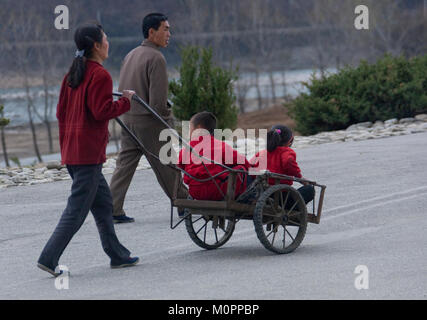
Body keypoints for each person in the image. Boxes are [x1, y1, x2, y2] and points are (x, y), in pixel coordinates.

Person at [37, 22, 139, 277]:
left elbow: (61, 113)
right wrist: (126, 101)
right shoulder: (100, 75)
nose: (108, 42)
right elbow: (101, 111)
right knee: (77, 210)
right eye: (105, 38)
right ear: (96, 45)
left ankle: (118, 255)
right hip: (88, 155)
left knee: (103, 204)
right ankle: (48, 258)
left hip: (72, 151)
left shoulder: (72, 74)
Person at [109, 13, 188, 223]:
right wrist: (168, 121)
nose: (169, 34)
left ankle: (112, 208)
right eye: (165, 29)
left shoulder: (131, 54)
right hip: (150, 122)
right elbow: (158, 103)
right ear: (151, 32)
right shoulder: (156, 58)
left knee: (124, 165)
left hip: (128, 120)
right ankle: (184, 202)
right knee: (168, 164)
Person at [178, 112, 251, 201]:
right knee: (241, 168)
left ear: (199, 128)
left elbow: (180, 166)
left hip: (195, 192)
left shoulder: (186, 148)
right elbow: (244, 162)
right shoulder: (220, 145)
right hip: (217, 191)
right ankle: (246, 200)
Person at [250, 125, 314, 205]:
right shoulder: (287, 152)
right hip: (280, 196)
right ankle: (292, 210)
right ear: (290, 141)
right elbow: (288, 162)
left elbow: (250, 167)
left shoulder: (262, 153)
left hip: (261, 193)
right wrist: (300, 178)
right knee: (310, 190)